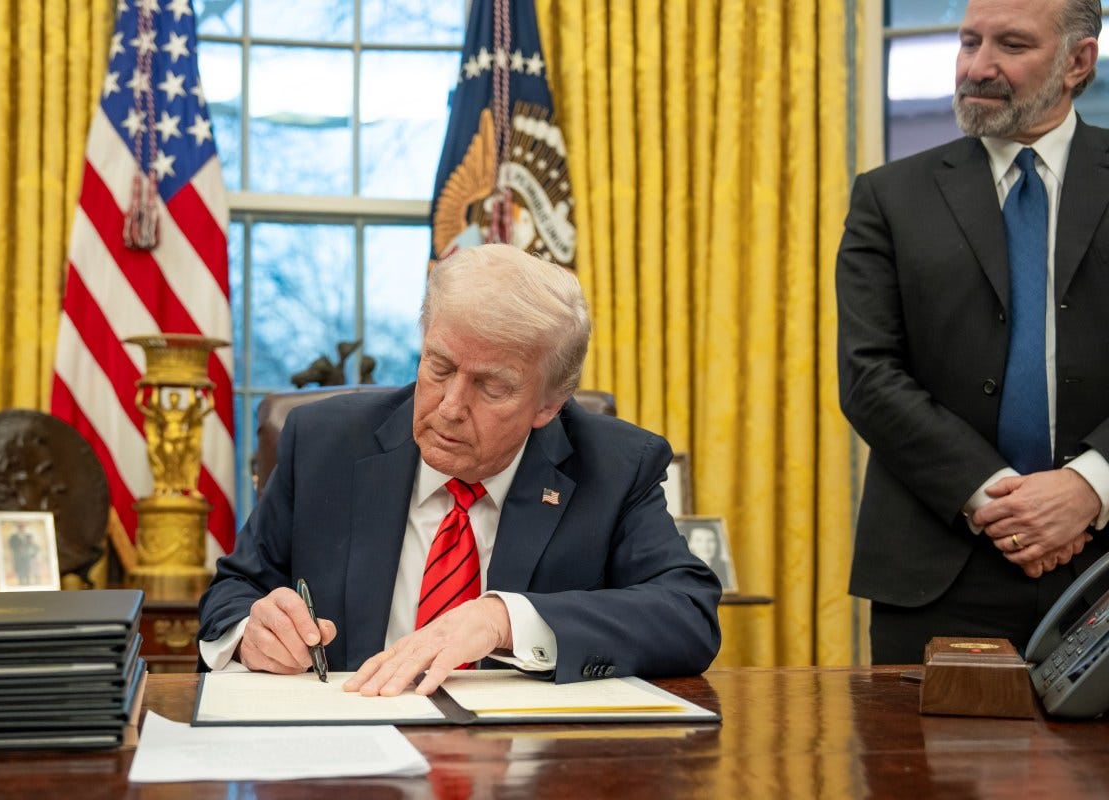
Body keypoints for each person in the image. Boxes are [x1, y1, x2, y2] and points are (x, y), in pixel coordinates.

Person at [199, 243, 722, 695]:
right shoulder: (323, 444)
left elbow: (687, 614)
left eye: (492, 387)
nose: (449, 406)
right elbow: (232, 590)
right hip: (351, 753)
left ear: (549, 404)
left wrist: (504, 620)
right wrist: (251, 631)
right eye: (439, 367)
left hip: (531, 767)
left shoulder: (614, 467)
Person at [836, 0, 1109, 664]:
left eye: (1011, 45)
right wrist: (1002, 503)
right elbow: (869, 375)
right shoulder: (889, 195)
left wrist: (1088, 486)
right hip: (939, 565)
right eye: (968, 41)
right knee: (929, 770)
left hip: (1101, 557)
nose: (977, 67)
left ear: (1078, 62)